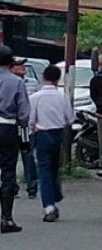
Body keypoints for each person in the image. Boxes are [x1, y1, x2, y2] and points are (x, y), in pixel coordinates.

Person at [28, 64, 72, 222]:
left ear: (43, 78)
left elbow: (31, 120)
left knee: (44, 170)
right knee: (54, 168)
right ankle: (55, 196)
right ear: (58, 79)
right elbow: (69, 119)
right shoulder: (63, 97)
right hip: (58, 133)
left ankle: (49, 205)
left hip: (42, 134)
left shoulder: (35, 97)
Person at [0, 46, 30, 234]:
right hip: (7, 128)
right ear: (11, 62)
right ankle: (6, 218)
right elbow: (24, 114)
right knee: (8, 172)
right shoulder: (16, 82)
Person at [10, 59, 35, 200]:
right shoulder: (8, 82)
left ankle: (32, 186)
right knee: (11, 157)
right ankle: (12, 186)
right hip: (11, 125)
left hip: (28, 125)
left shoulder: (32, 82)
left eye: (23, 65)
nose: (22, 67)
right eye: (19, 65)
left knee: (29, 156)